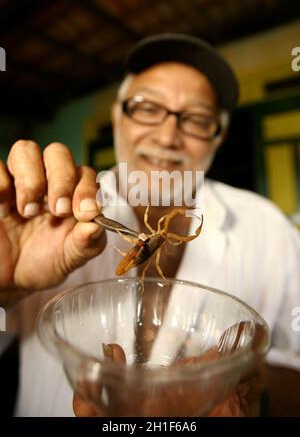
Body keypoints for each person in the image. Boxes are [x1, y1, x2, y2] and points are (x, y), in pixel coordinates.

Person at [0, 33, 299, 417]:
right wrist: (6, 284)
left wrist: (258, 389)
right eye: (146, 107)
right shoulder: (46, 215)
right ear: (116, 116)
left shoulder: (268, 228)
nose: (167, 135)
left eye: (196, 118)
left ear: (218, 135)